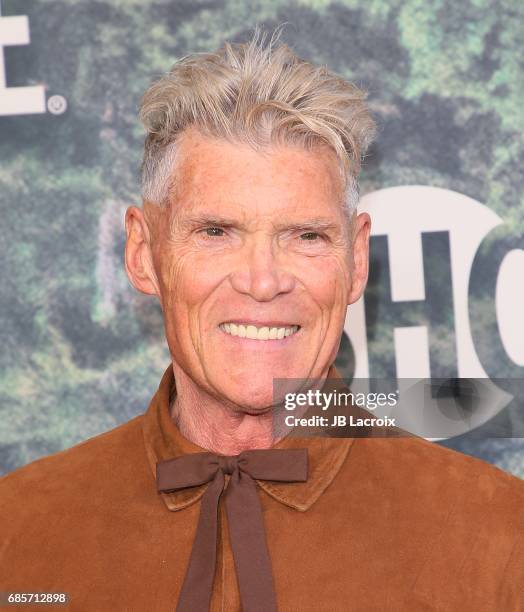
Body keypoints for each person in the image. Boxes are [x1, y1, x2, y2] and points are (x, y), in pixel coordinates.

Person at [1, 28, 523, 612]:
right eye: (216, 232)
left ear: (354, 261)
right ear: (143, 253)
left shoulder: (499, 537)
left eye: (306, 236)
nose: (263, 280)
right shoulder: (17, 529)